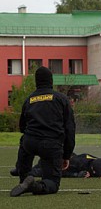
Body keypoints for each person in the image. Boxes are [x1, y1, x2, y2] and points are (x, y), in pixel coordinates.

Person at [10, 66, 76, 197]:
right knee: (52, 182)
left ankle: (23, 175)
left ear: (36, 81)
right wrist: (66, 155)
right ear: (51, 80)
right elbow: (70, 129)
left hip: (30, 142)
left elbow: (22, 127)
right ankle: (35, 185)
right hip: (51, 145)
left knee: (24, 140)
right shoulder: (61, 99)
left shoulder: (29, 99)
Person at [23, 153, 101, 179]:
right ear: (92, 169)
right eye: (94, 172)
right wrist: (76, 174)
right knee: (47, 170)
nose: (95, 174)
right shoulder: (79, 163)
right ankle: (23, 170)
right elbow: (63, 171)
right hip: (60, 159)